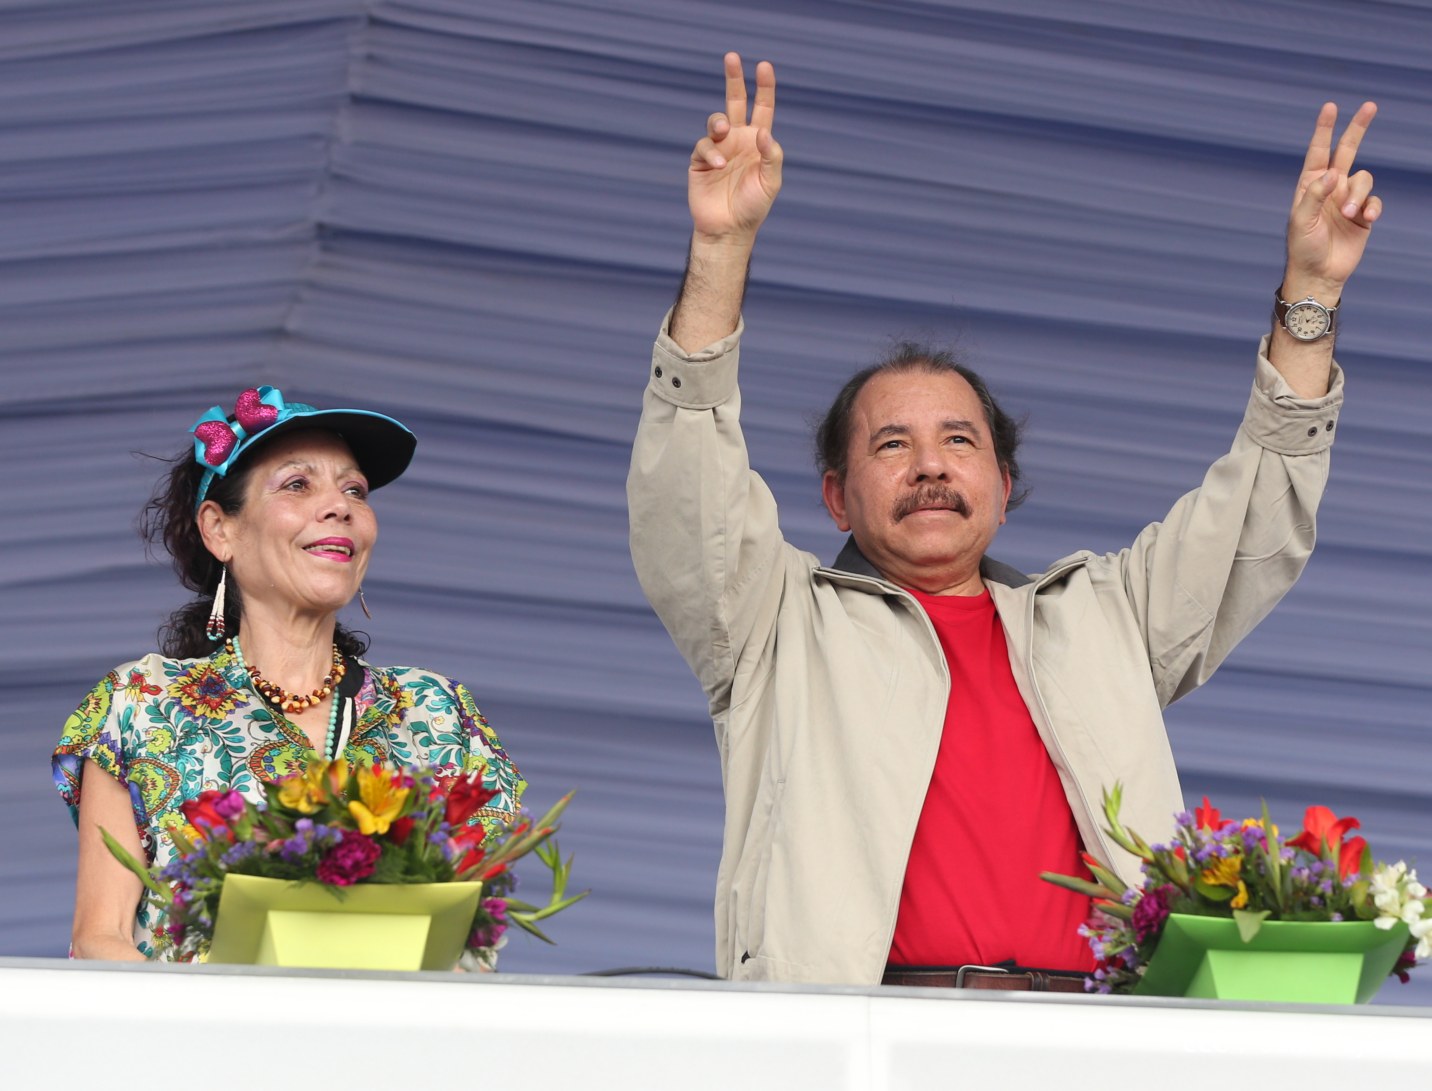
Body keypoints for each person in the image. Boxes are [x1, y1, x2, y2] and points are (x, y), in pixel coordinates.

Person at [627, 53, 1381, 987]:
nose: (931, 464)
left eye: (959, 439)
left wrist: (1312, 293)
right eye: (892, 444)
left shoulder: (1106, 616)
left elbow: (1256, 511)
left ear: (1002, 479)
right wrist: (720, 250)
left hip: (1097, 1035)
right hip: (863, 1035)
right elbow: (688, 488)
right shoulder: (774, 623)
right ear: (837, 496)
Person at [54, 387, 524, 960]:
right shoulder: (144, 702)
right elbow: (99, 938)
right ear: (219, 530)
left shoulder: (435, 710)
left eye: (354, 490)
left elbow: (468, 945)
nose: (340, 507)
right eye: (298, 484)